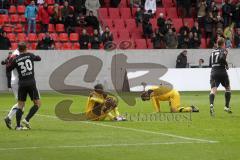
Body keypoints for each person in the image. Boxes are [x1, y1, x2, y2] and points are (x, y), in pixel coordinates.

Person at [6, 42, 42, 130]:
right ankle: (26, 119)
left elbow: (8, 68)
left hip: (21, 84)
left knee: (20, 105)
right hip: (31, 83)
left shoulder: (16, 59)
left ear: (18, 49)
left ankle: (18, 126)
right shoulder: (30, 55)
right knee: (37, 103)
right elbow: (39, 58)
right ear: (26, 48)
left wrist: (10, 61)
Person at [209, 38, 232, 116]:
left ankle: (211, 104)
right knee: (228, 88)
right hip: (222, 71)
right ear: (223, 44)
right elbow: (222, 58)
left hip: (213, 71)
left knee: (213, 90)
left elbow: (210, 62)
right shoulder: (224, 50)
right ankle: (226, 106)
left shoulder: (212, 51)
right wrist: (226, 64)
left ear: (217, 43)